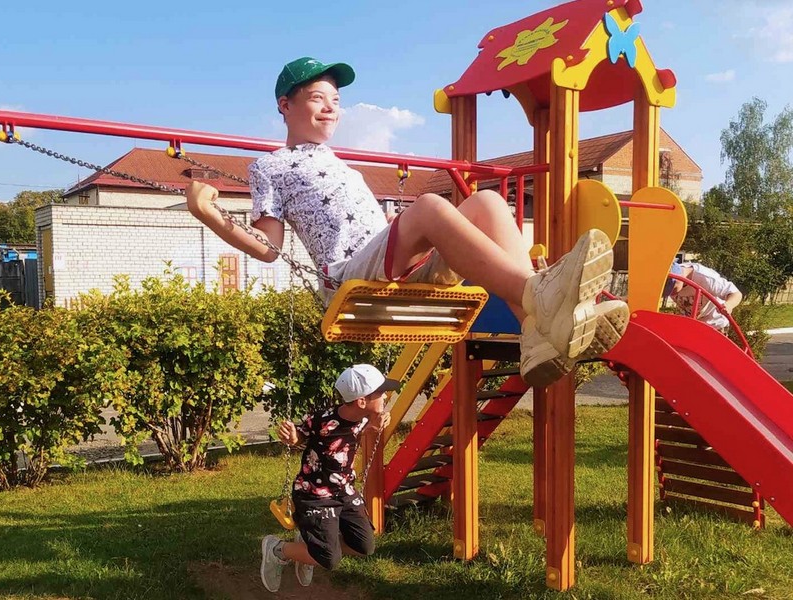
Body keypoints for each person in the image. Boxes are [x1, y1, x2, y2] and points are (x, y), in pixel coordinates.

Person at [186, 56, 630, 387]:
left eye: (336, 101)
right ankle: (539, 293)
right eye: (317, 98)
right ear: (285, 105)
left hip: (393, 261)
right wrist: (209, 213)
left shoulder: (338, 163)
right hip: (346, 273)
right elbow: (268, 247)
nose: (330, 108)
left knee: (489, 203)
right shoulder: (271, 166)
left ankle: (534, 332)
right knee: (430, 207)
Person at [259, 364, 397, 592]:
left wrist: (373, 428)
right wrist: (293, 437)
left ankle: (312, 546)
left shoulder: (367, 418)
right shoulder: (322, 420)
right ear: (361, 401)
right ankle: (277, 549)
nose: (385, 396)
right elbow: (300, 436)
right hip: (314, 493)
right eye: (380, 393)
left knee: (364, 546)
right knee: (329, 559)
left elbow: (356, 435)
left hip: (344, 490)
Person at [664, 262, 743, 331]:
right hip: (692, 326)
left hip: (714, 325)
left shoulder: (705, 278)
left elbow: (736, 293)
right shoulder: (669, 274)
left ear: (678, 278)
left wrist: (729, 305)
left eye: (671, 289)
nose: (671, 294)